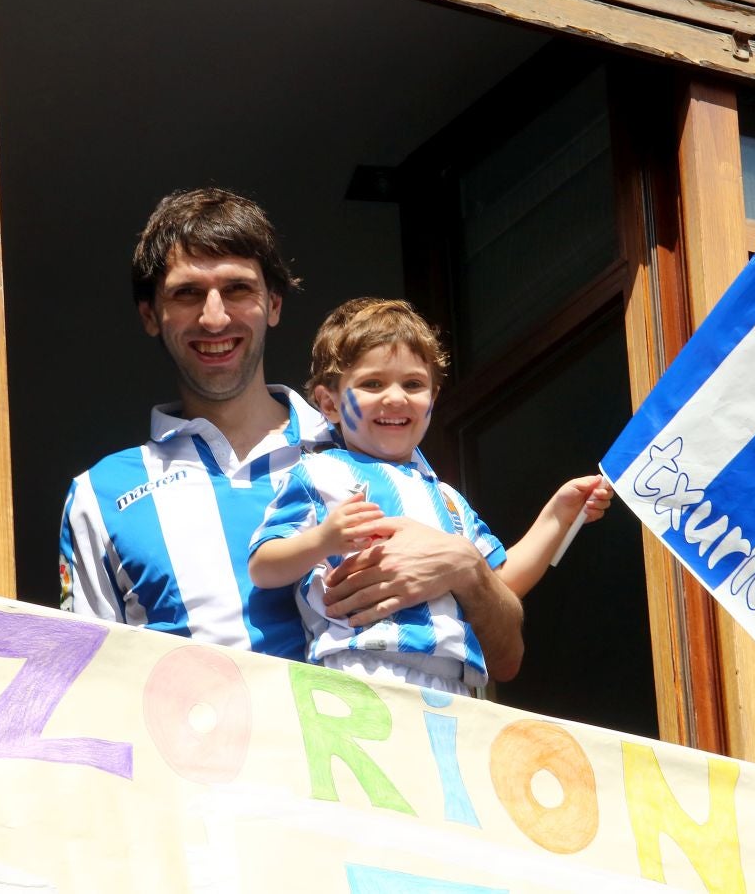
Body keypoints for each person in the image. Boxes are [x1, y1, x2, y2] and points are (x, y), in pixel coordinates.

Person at [59, 188, 526, 677]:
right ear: (150, 315)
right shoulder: (100, 495)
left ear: (274, 304)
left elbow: (506, 659)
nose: (214, 316)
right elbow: (87, 680)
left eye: (238, 289)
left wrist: (467, 567)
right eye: (187, 293)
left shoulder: (376, 447)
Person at [247, 298, 611, 694]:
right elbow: (263, 566)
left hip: (455, 684)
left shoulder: (450, 499)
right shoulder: (317, 472)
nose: (396, 397)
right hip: (360, 671)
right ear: (329, 404)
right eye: (372, 383)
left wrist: (557, 517)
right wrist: (323, 539)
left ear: (433, 400)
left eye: (413, 384)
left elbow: (500, 583)